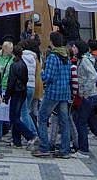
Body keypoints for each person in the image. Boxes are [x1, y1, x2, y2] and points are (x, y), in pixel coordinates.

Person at [32, 31, 71, 159]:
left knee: (42, 117)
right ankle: (65, 150)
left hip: (53, 92)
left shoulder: (53, 57)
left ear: (52, 42)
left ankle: (44, 147)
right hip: (64, 92)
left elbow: (48, 77)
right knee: (64, 121)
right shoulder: (66, 56)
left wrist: (41, 72)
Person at [4, 44, 36, 148]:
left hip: (16, 92)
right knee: (16, 116)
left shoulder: (14, 65)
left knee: (14, 118)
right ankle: (16, 141)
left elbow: (11, 81)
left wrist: (7, 95)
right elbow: (25, 79)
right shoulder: (23, 64)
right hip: (23, 91)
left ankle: (30, 135)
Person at [20, 40, 39, 140]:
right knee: (26, 110)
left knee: (23, 111)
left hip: (24, 85)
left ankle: (33, 133)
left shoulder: (22, 57)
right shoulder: (34, 58)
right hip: (32, 85)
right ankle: (28, 131)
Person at [0, 40, 13, 141]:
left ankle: (9, 132)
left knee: (8, 112)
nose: (12, 50)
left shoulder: (13, 60)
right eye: (10, 48)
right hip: (0, 87)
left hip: (8, 88)